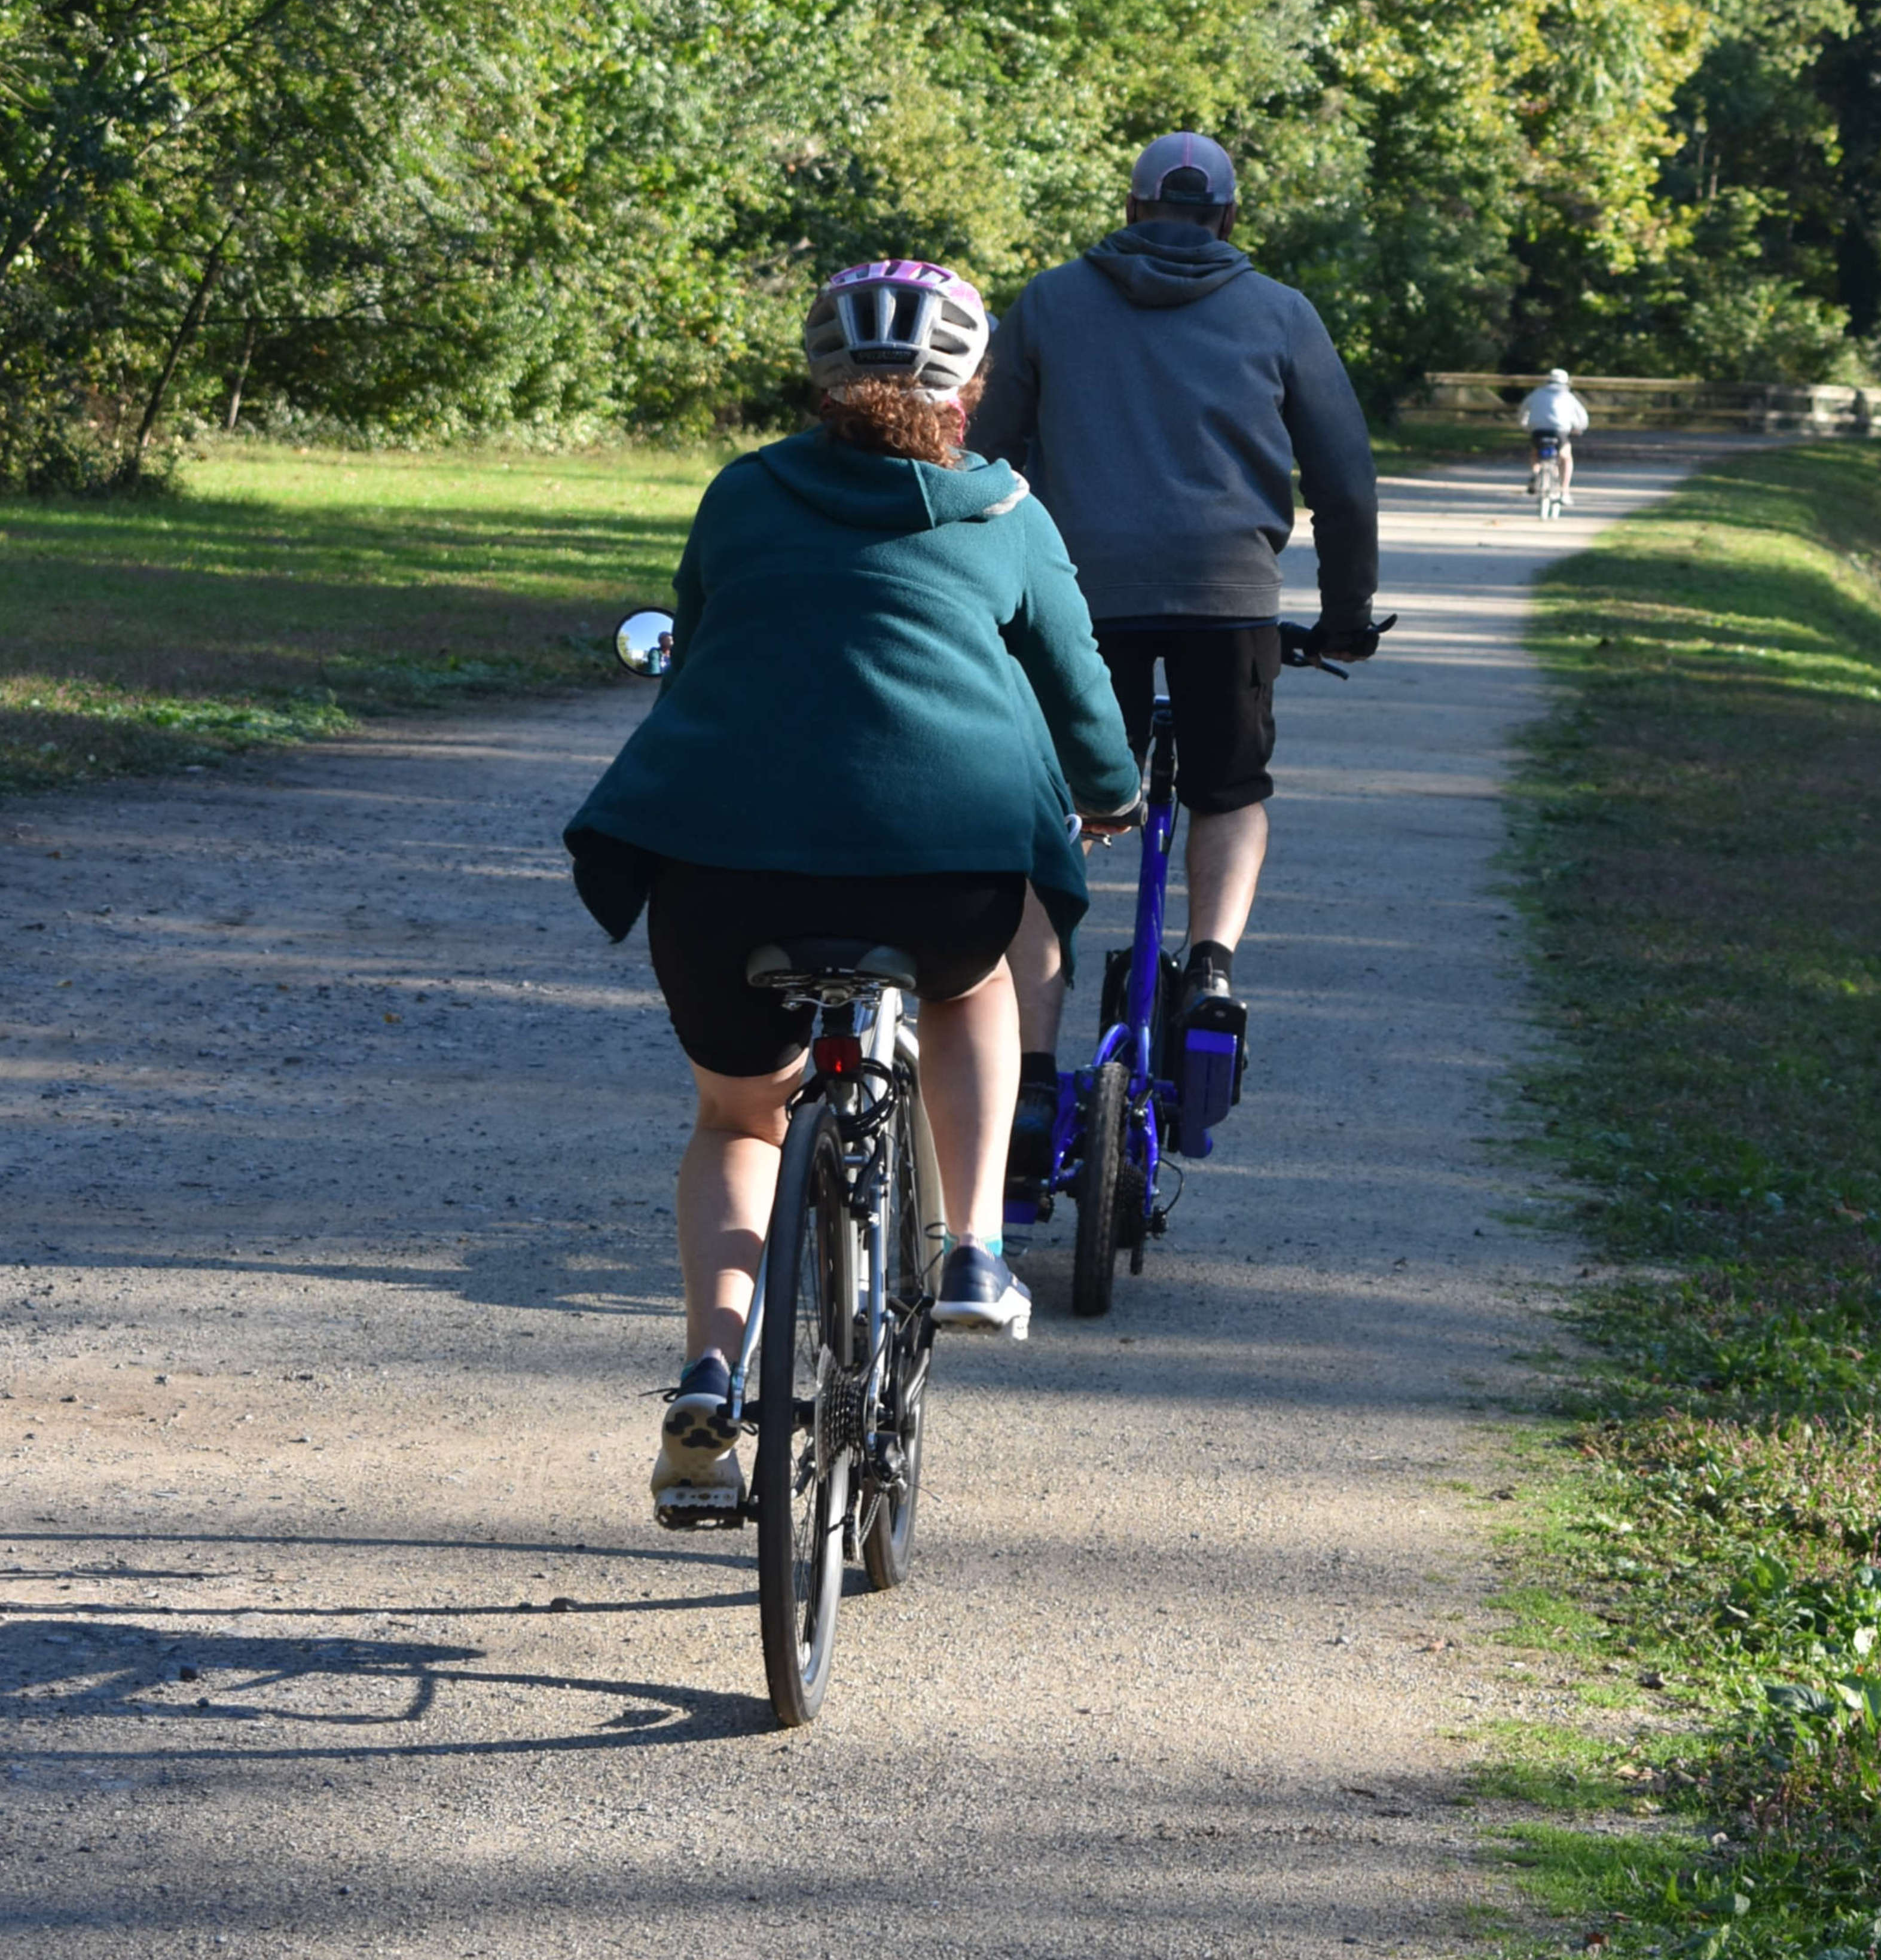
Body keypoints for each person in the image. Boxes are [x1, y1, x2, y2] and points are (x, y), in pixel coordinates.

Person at [563, 258, 1140, 1523]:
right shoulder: (1006, 515)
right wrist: (1111, 792)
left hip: (720, 868)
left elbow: (701, 654)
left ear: (817, 381)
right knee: (978, 980)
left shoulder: (742, 494)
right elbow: (1082, 700)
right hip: (946, 870)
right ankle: (974, 1247)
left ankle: (711, 1371)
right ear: (972, 390)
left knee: (739, 1119)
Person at [967, 132, 1381, 1171]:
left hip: (1076, 595)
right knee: (1230, 788)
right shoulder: (1282, 312)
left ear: (1132, 207)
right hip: (1227, 596)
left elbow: (987, 460)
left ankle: (1028, 1073)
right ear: (1228, 220)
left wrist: (972, 590)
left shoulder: (1053, 302)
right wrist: (1344, 611)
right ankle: (1211, 968)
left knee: (1052, 808)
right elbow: (1344, 478)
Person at [1518, 368, 1589, 505]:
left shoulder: (1536, 394)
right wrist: (1578, 428)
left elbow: (1522, 412)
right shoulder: (1567, 396)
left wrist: (1526, 426)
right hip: (1559, 432)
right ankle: (1565, 492)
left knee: (1535, 452)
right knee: (1566, 458)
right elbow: (1582, 419)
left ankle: (1535, 474)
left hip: (1538, 431)